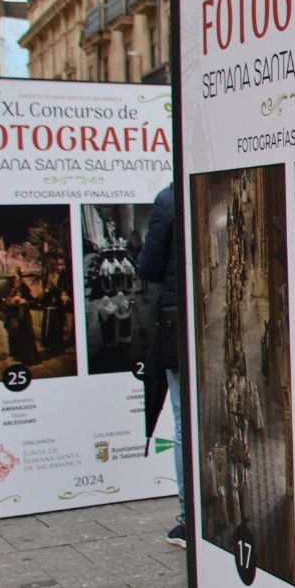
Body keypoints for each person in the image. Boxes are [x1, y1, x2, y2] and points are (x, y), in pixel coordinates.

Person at [138, 185, 185, 548]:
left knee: (184, 421)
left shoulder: (168, 200)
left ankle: (188, 520)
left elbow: (149, 267)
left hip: (177, 325)